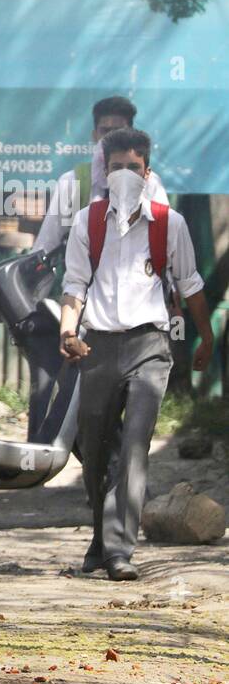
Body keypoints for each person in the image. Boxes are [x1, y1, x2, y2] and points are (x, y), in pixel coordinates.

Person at [58, 128, 212, 582]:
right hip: (98, 346)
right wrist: (68, 330)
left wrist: (207, 337)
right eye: (117, 167)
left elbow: (191, 285)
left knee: (135, 448)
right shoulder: (88, 221)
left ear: (148, 173)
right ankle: (101, 539)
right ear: (104, 171)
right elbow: (74, 285)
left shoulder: (170, 223)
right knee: (93, 447)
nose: (125, 175)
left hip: (150, 347)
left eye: (134, 168)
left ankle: (120, 551)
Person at [27, 96, 169, 435]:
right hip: (82, 311)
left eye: (119, 130)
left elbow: (167, 249)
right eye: (105, 131)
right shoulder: (72, 184)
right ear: (95, 136)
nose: (110, 138)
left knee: (129, 406)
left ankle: (120, 473)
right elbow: (43, 250)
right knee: (68, 399)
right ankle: (45, 462)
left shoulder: (152, 185)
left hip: (135, 315)